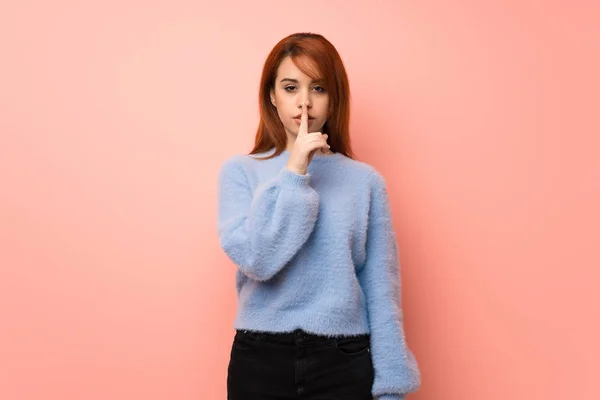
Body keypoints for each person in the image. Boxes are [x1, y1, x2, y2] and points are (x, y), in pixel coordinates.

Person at [217, 32, 421, 400]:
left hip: (344, 358)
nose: (305, 103)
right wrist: (294, 172)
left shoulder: (365, 182)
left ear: (333, 98)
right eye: (291, 87)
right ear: (272, 96)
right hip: (260, 357)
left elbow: (381, 287)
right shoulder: (240, 173)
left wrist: (392, 382)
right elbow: (258, 260)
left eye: (319, 88)